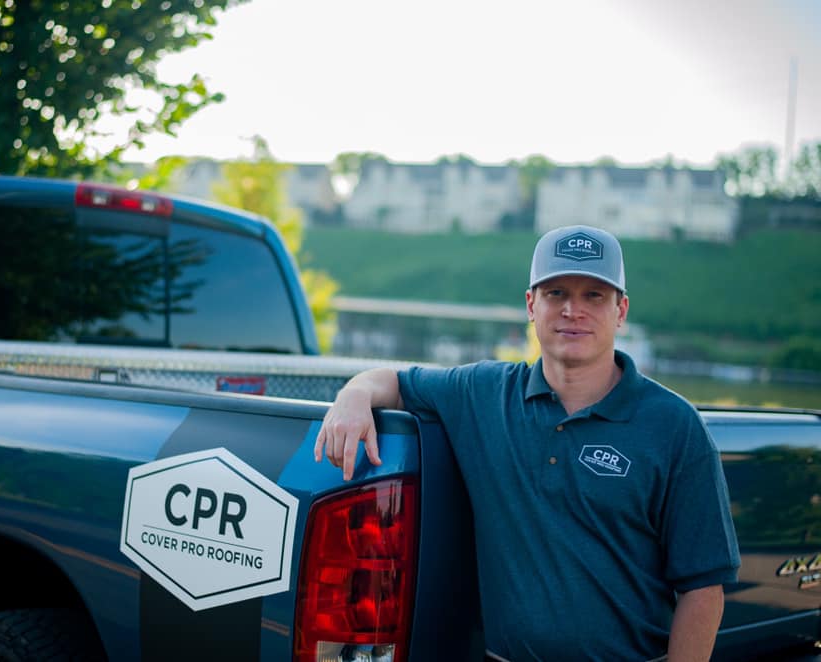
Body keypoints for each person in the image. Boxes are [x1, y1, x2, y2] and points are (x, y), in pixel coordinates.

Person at [314, 224, 740, 661]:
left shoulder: (674, 427)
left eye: (594, 295)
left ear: (621, 310)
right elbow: (394, 380)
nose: (573, 310)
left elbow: (703, 590)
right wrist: (353, 397)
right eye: (556, 293)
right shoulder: (483, 393)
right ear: (531, 305)